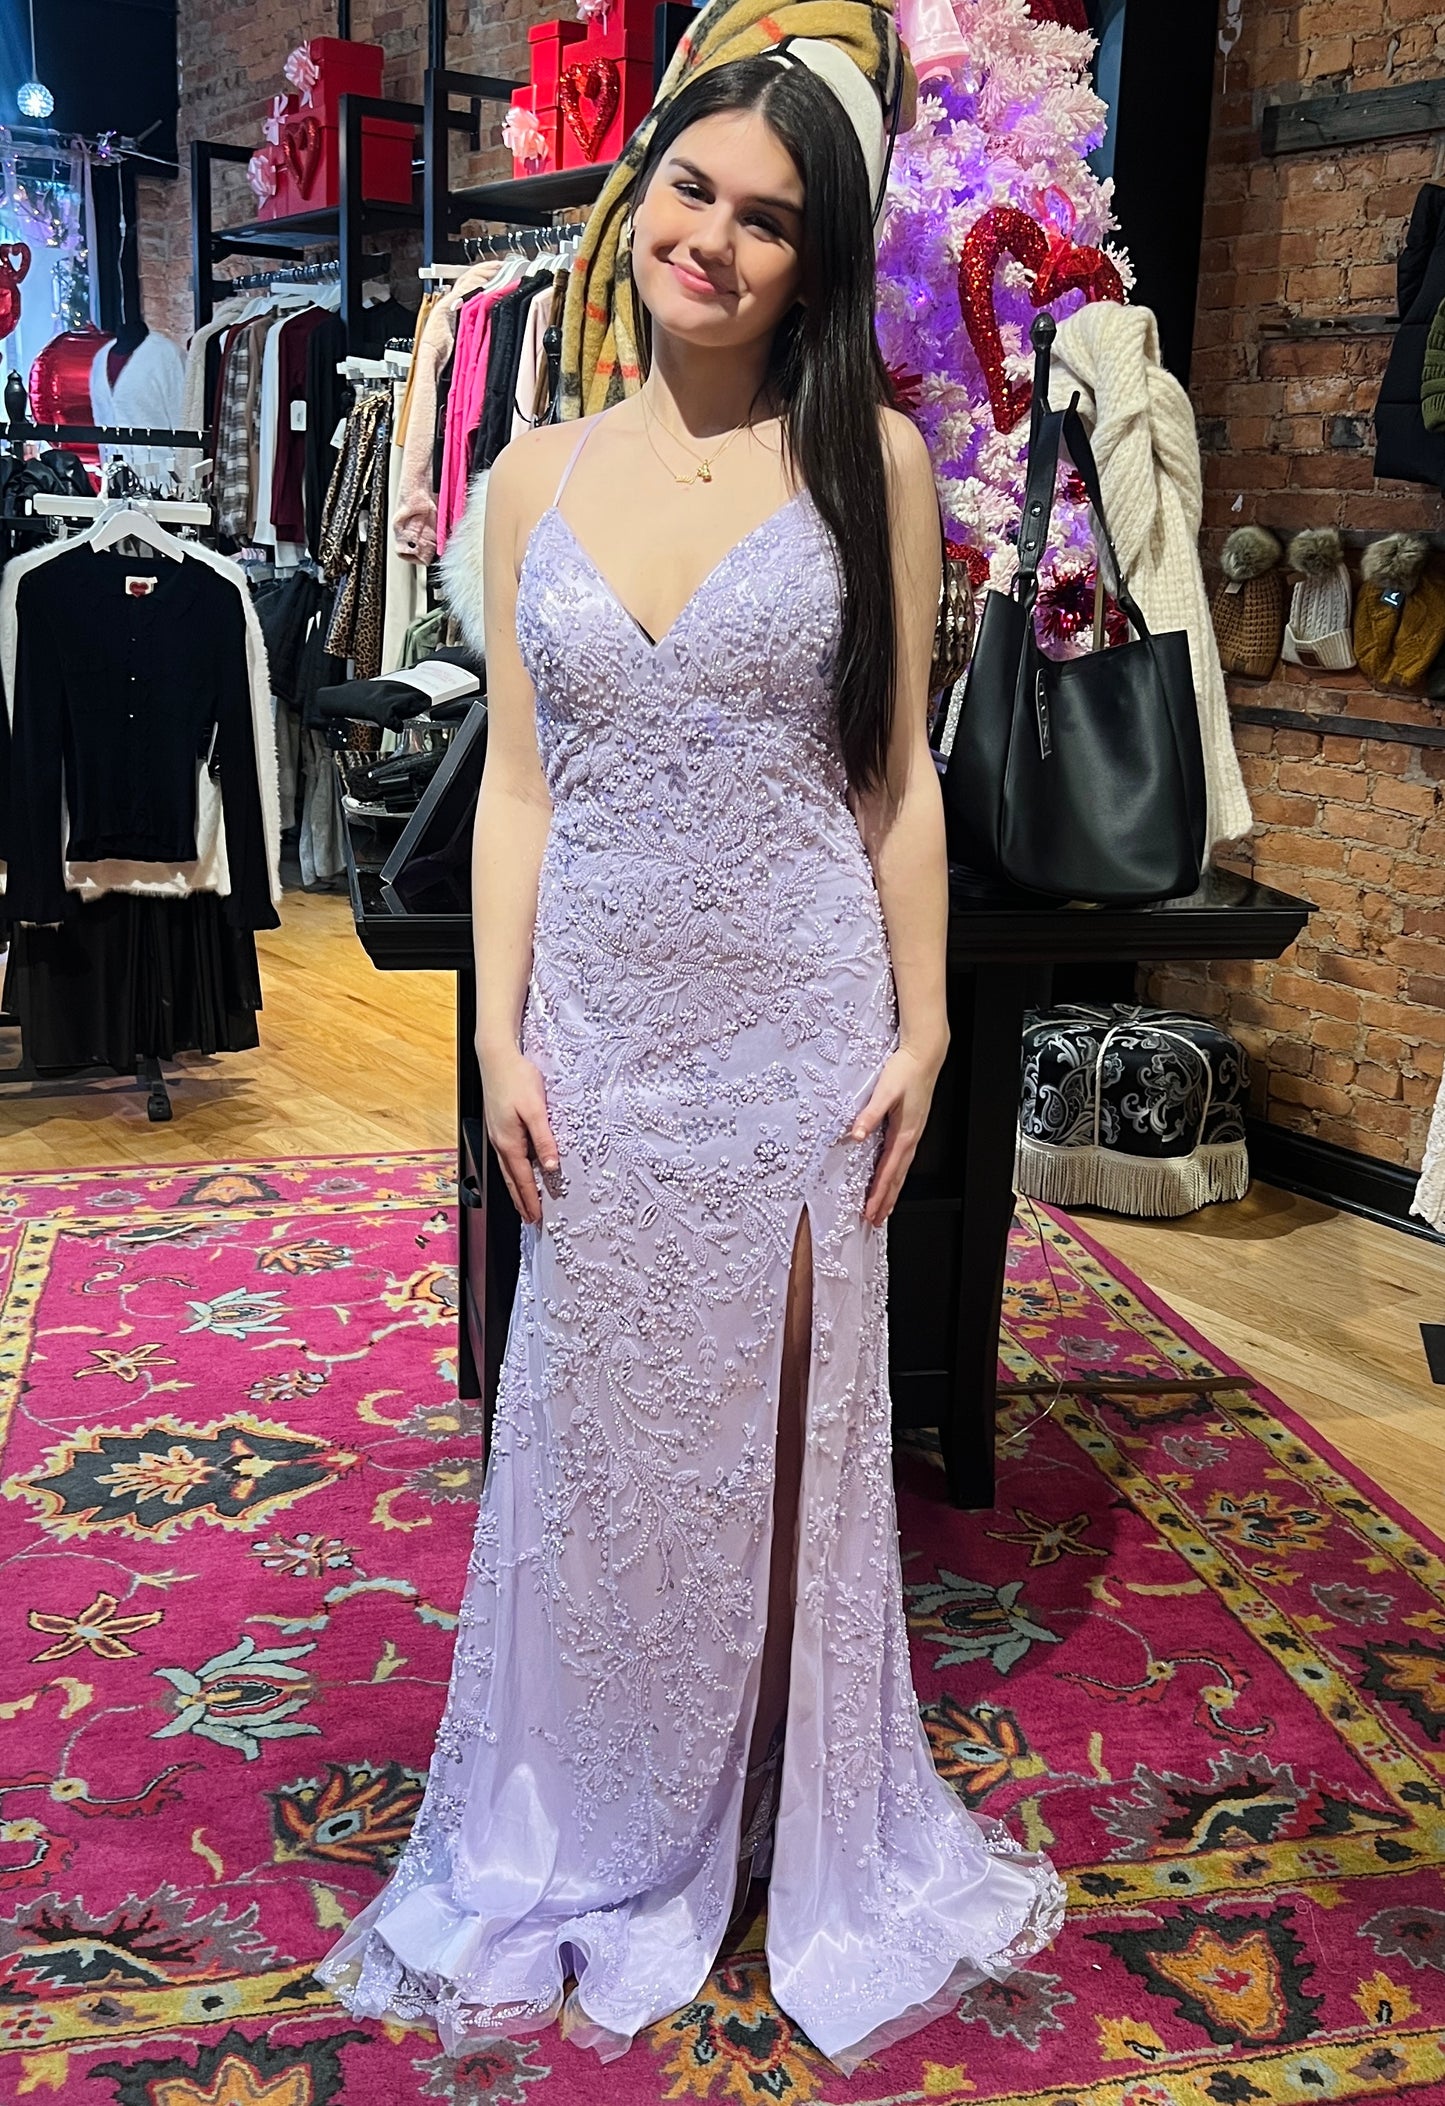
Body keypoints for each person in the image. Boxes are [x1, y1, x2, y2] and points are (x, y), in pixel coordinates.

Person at [318, 46, 1065, 2074]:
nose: (710, 241)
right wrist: (492, 1036)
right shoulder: (532, 474)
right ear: (634, 194)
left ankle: (767, 1799)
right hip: (605, 1024)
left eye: (765, 217)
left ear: (810, 263)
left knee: (792, 1424)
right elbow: (519, 800)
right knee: (603, 1422)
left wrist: (921, 1018)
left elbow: (897, 777)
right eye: (691, 191)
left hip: (795, 1019)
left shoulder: (872, 467)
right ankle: (605, 1793)